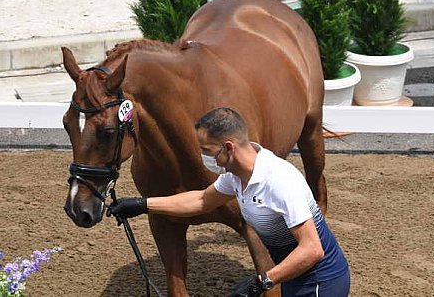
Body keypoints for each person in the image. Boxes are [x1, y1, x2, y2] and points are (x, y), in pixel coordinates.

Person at [108, 107, 350, 297]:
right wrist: (143, 205)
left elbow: (312, 249)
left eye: (206, 150)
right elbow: (201, 200)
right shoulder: (237, 176)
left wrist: (263, 281)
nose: (204, 157)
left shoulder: (279, 182)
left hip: (320, 282)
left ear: (228, 147)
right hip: (293, 277)